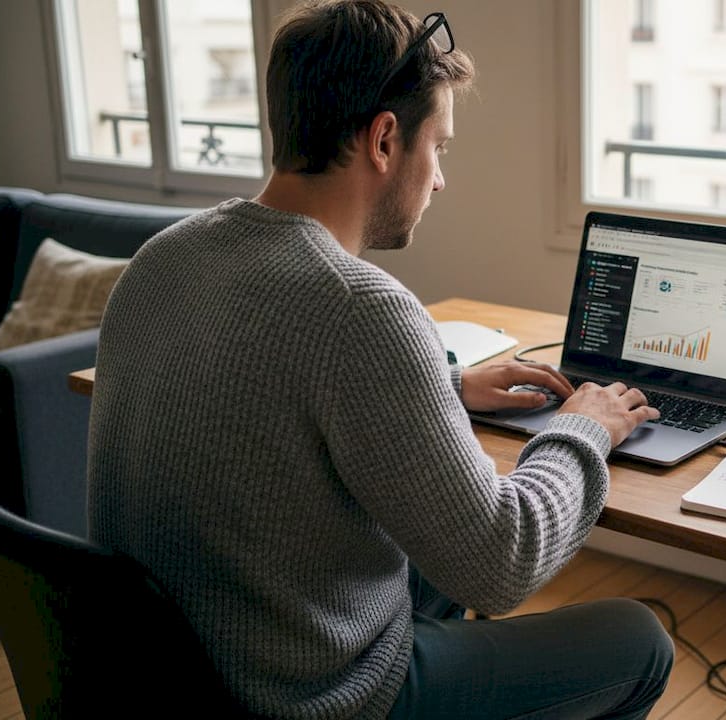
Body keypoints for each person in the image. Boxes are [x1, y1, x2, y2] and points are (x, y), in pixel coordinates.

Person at [87, 1, 674, 718]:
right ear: (385, 140)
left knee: (429, 554)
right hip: (309, 697)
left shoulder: (162, 259)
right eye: (441, 148)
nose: (440, 180)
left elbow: (261, 389)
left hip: (169, 674)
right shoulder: (359, 305)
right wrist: (585, 426)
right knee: (639, 641)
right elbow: (502, 563)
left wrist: (445, 387)